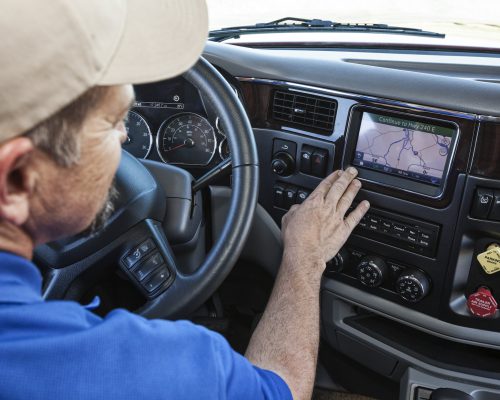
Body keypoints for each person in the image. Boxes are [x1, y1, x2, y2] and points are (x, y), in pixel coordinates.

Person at [0, 0, 369, 399]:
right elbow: (283, 390)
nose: (127, 143)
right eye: (112, 124)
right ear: (19, 180)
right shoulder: (143, 367)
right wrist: (304, 258)